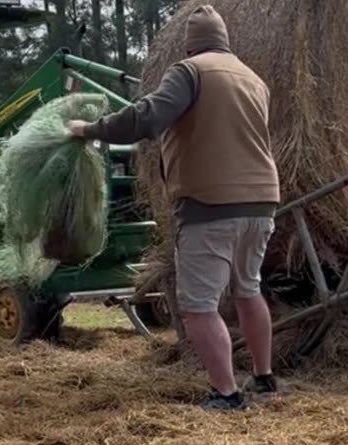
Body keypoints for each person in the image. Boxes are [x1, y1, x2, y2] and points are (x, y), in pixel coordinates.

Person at [68, 5, 280, 411]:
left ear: (189, 46)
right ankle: (264, 378)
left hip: (210, 202)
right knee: (248, 289)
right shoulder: (253, 79)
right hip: (261, 202)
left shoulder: (190, 72)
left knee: (198, 307)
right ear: (224, 40)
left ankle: (227, 394)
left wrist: (89, 130)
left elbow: (147, 119)